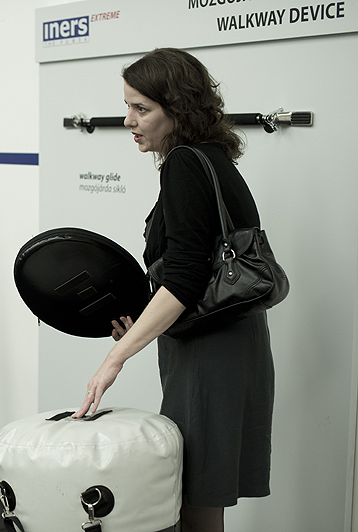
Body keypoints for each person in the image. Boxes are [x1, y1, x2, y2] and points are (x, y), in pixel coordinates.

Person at [73, 48, 275, 532]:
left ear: (178, 109)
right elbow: (196, 270)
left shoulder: (185, 163)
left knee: (194, 499)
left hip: (211, 351)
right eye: (128, 106)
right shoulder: (211, 157)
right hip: (229, 339)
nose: (129, 120)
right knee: (200, 497)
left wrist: (116, 357)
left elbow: (184, 280)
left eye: (141, 108)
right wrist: (141, 325)